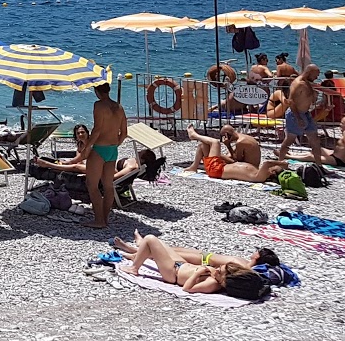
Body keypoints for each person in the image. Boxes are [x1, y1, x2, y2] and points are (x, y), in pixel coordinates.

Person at [114, 232, 269, 299]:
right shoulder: (217, 277)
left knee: (150, 239)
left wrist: (197, 273)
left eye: (220, 271)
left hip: (173, 274)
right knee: (159, 244)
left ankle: (134, 267)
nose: (218, 270)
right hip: (181, 264)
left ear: (224, 281)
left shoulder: (212, 284)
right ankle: (134, 251)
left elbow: (187, 288)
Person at [182, 125, 288, 182]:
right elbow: (236, 159)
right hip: (218, 168)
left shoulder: (260, 176)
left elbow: (268, 163)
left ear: (273, 173)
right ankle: (194, 167)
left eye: (273, 168)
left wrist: (282, 163)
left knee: (215, 143)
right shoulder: (258, 173)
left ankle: (194, 135)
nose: (271, 167)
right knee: (204, 145)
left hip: (217, 170)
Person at [86, 82, 126, 229]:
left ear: (97, 91)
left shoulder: (99, 105)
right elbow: (124, 133)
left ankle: (98, 220)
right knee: (108, 186)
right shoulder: (119, 107)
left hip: (99, 149)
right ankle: (105, 218)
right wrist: (116, 144)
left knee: (92, 185)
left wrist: (87, 146)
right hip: (112, 149)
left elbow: (96, 130)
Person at [277, 65, 328, 163]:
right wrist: (298, 118)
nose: (317, 77)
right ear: (309, 72)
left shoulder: (307, 83)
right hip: (296, 114)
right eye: (316, 75)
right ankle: (280, 162)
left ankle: (319, 165)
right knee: (289, 140)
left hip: (306, 114)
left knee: (315, 140)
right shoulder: (298, 83)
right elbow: (290, 101)